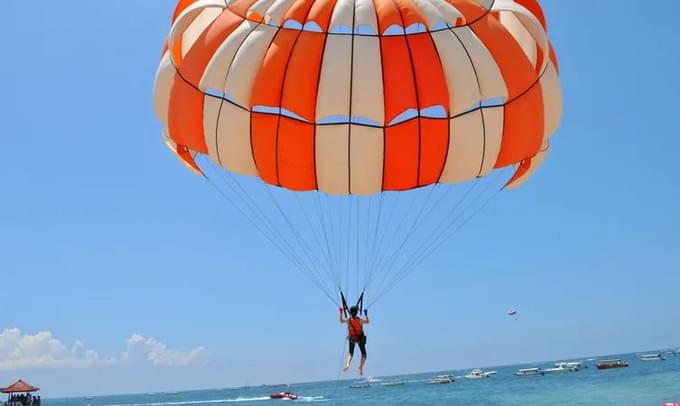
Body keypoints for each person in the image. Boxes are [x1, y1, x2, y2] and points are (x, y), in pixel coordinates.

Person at [339, 305, 369, 375]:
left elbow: (341, 321)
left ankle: (347, 364)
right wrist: (366, 314)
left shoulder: (348, 320)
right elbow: (367, 322)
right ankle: (361, 367)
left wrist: (341, 312)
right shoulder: (360, 320)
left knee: (350, 353)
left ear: (350, 312)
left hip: (352, 338)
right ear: (356, 312)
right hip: (360, 338)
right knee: (364, 354)